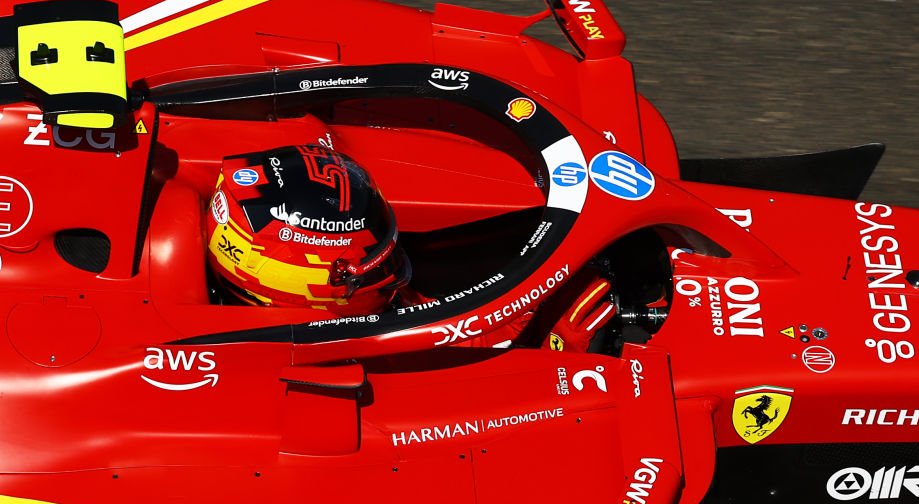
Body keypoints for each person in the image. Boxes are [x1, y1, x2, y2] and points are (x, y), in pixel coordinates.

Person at [205, 141, 618, 350]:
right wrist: (550, 347)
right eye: (372, 266)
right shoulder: (315, 355)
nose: (387, 267)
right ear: (301, 284)